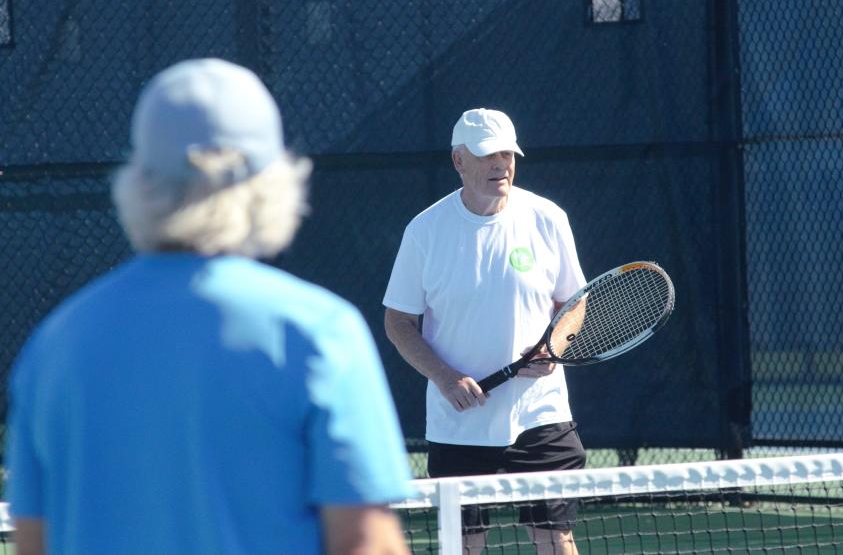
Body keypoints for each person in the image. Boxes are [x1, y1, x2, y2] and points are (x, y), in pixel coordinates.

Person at [5, 58, 413, 555]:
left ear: (139, 180)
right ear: (274, 182)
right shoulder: (320, 332)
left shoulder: (55, 345)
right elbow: (365, 543)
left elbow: (33, 545)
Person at [383, 108, 587, 554]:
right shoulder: (425, 231)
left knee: (554, 536)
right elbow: (398, 323)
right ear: (459, 160)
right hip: (459, 425)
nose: (500, 164)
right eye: (487, 154)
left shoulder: (547, 218)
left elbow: (574, 304)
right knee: (463, 544)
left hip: (541, 415)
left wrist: (555, 348)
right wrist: (445, 377)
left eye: (507, 154)